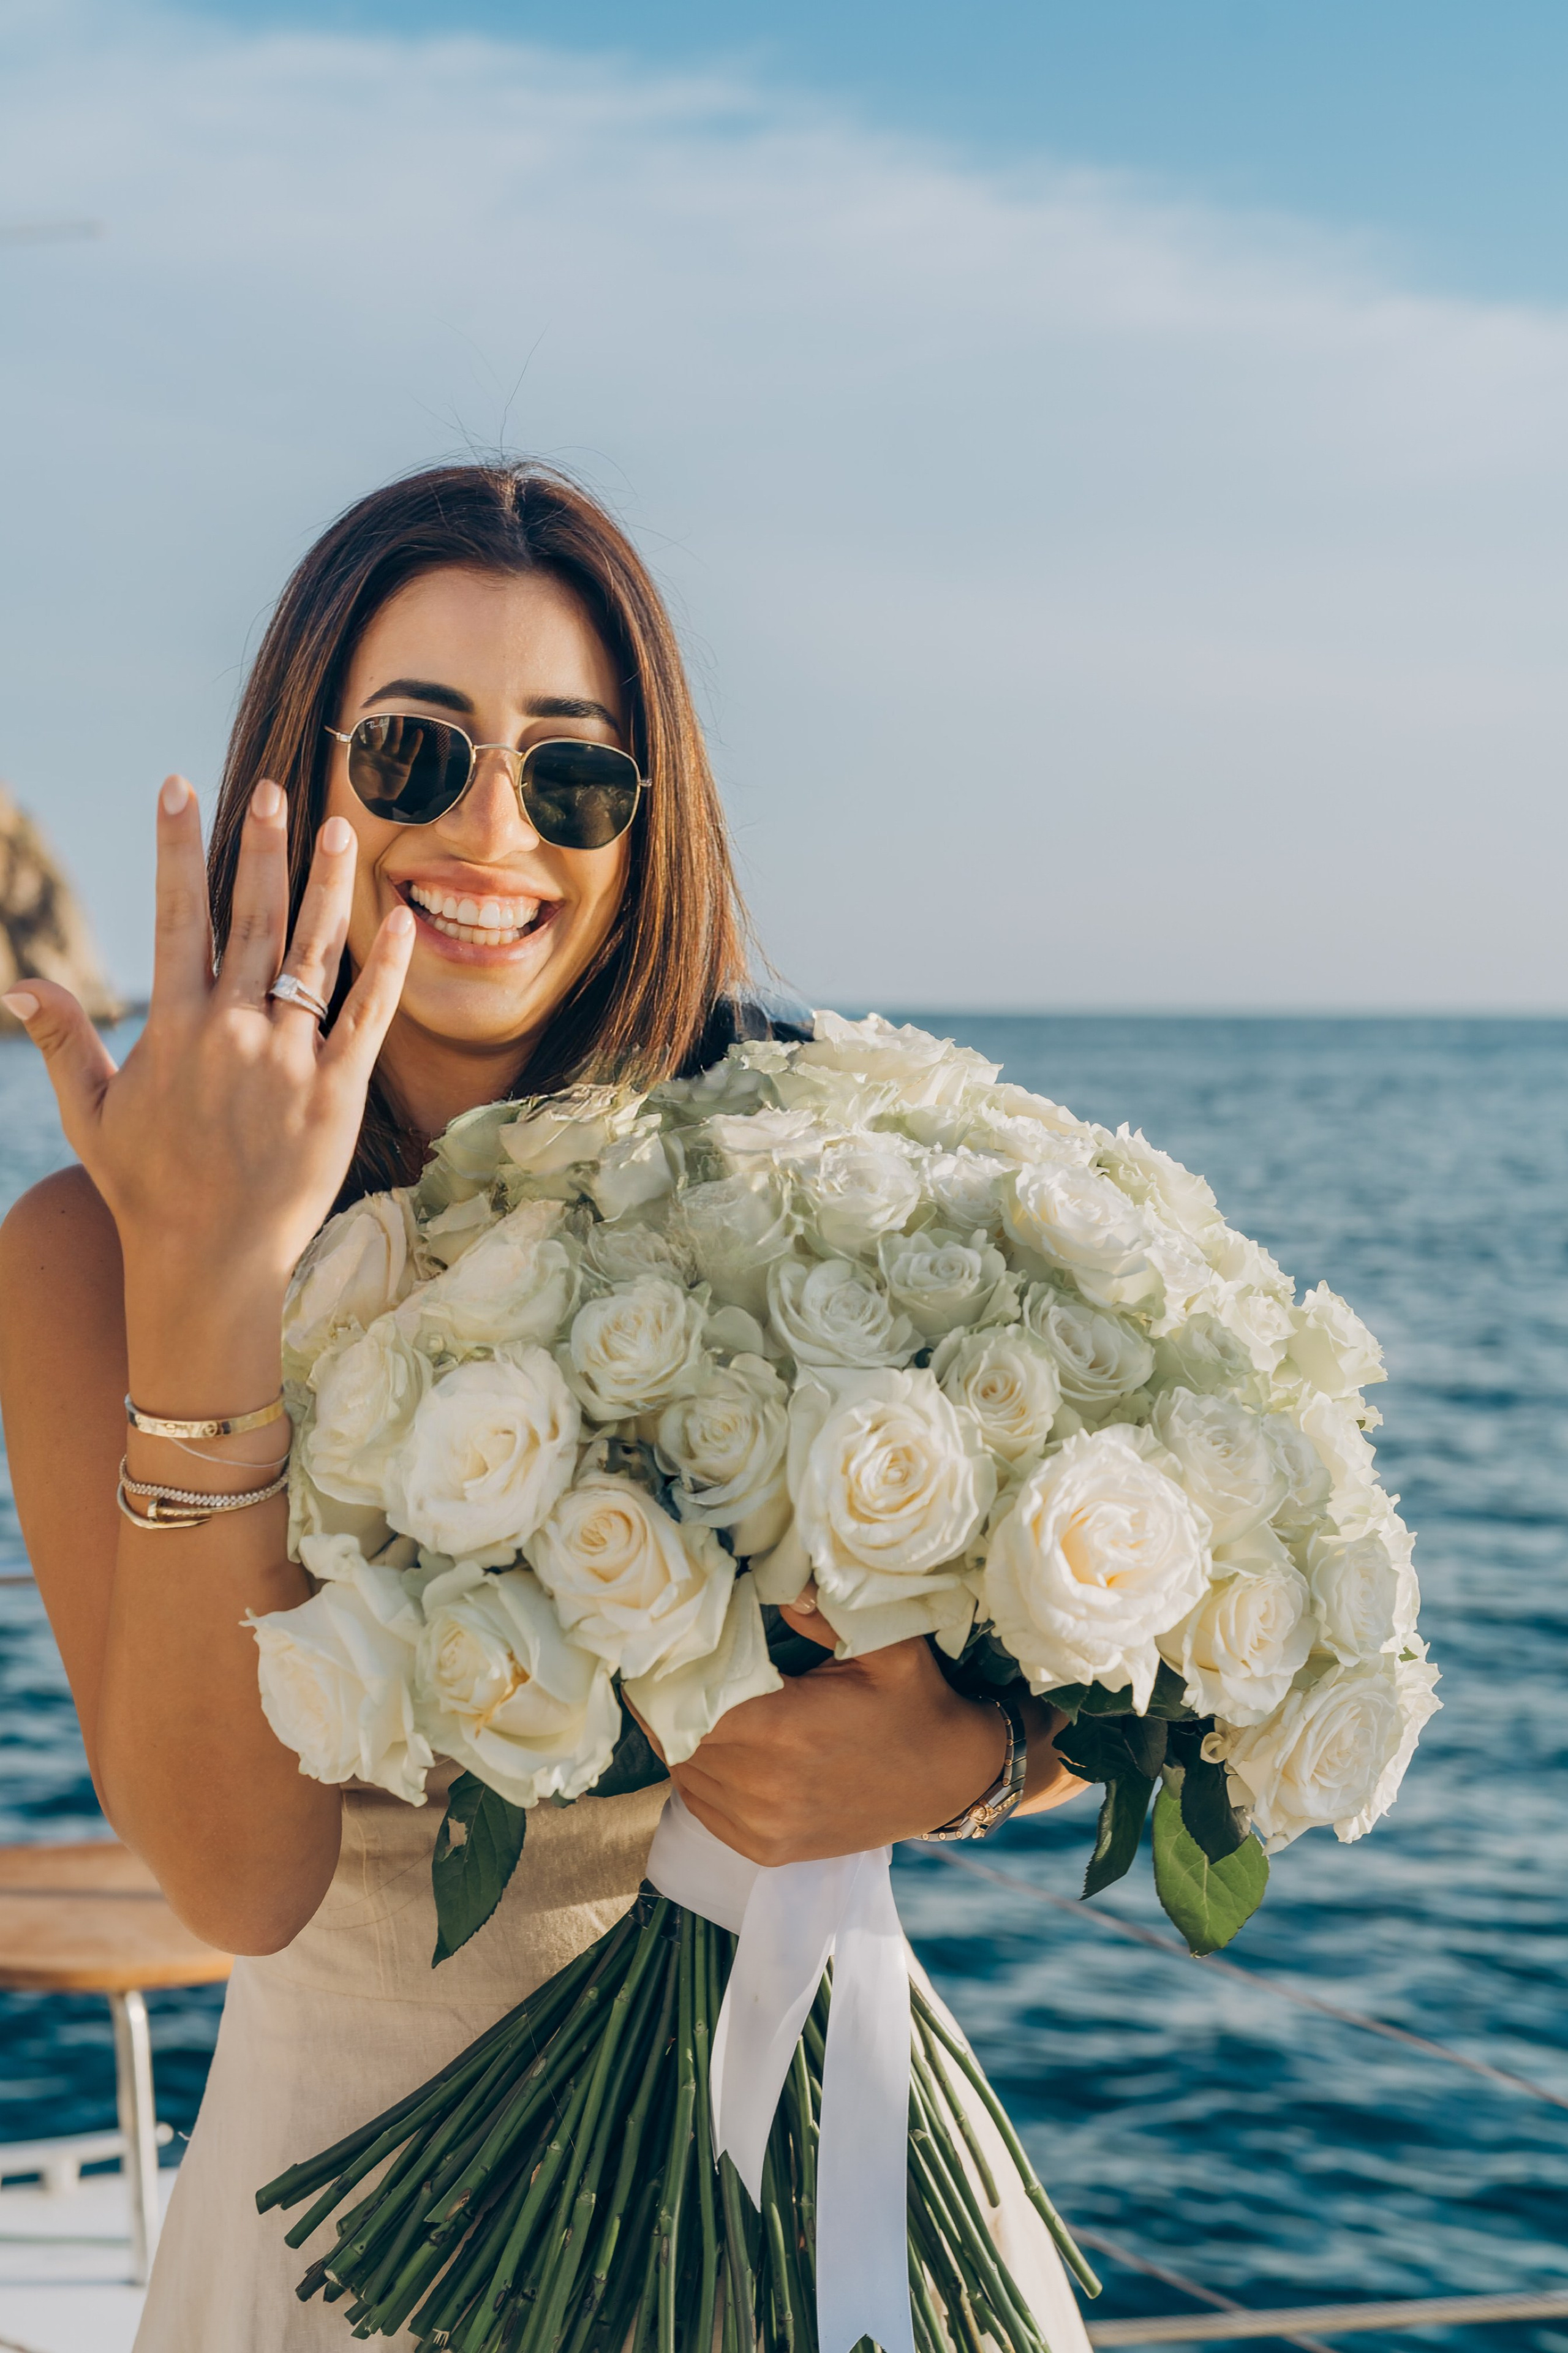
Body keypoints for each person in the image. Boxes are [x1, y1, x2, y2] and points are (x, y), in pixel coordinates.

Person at [0, 463, 1086, 2351]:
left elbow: (1092, 1660)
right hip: (347, 2222)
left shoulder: (806, 1161)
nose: (496, 827)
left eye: (573, 773)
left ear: (646, 822)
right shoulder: (90, 1250)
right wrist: (213, 1269)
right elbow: (238, 1876)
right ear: (300, 774)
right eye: (416, 752)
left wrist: (970, 1764)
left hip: (802, 2169)